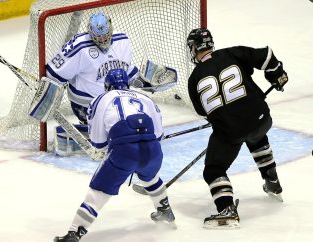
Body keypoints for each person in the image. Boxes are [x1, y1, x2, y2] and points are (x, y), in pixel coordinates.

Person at [54, 69, 176, 242]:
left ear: (107, 86)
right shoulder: (146, 99)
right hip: (153, 151)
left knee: (98, 192)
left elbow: (98, 142)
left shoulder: (100, 99)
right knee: (150, 176)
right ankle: (165, 211)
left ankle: (74, 233)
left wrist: (117, 147)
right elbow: (158, 135)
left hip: (124, 152)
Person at [186, 28, 288, 229]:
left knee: (214, 169)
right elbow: (266, 55)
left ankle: (227, 209)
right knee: (256, 134)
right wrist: (276, 75)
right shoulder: (231, 53)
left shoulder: (194, 79)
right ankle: (272, 181)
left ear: (194, 48)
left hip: (231, 131)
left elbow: (204, 112)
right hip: (261, 118)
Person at [46, 12, 139, 123]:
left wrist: (142, 80)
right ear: (90, 32)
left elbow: (126, 69)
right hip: (86, 104)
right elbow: (53, 74)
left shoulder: (122, 40)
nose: (103, 39)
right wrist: (48, 93)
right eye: (98, 36)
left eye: (105, 34)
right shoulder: (79, 46)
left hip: (117, 100)